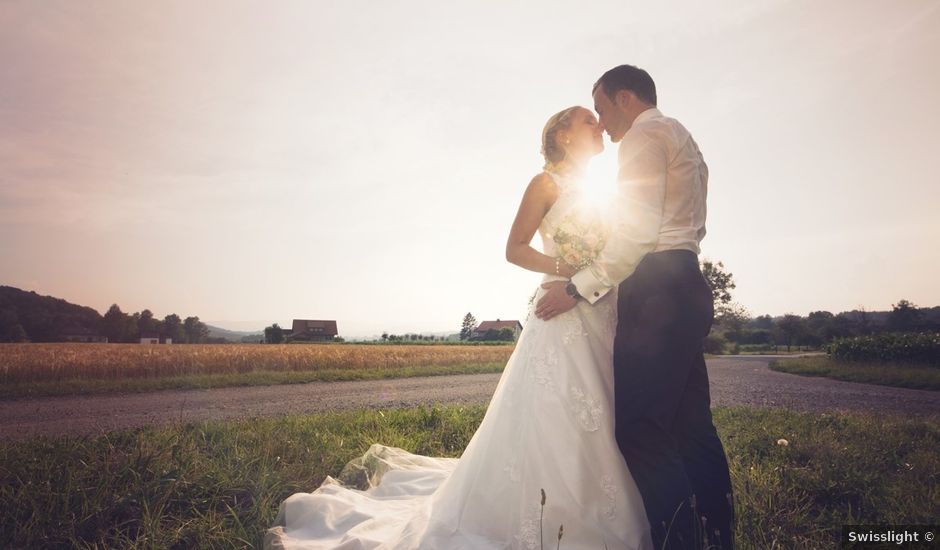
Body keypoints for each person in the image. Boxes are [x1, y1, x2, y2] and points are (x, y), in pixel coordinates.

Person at [265, 106, 651, 549]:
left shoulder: (605, 191)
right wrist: (567, 266)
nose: (599, 124)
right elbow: (515, 248)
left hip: (602, 310)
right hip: (558, 309)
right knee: (557, 409)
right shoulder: (545, 184)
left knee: (603, 406)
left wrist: (595, 274)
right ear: (562, 135)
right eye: (588, 120)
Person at [536, 65, 735, 549]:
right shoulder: (682, 136)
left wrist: (579, 288)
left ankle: (678, 540)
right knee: (692, 426)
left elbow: (638, 231)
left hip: (656, 290)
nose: (603, 122)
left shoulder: (643, 138)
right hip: (688, 279)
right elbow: (694, 225)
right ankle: (718, 534)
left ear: (625, 98)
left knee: (641, 428)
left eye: (602, 108)